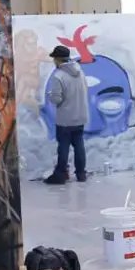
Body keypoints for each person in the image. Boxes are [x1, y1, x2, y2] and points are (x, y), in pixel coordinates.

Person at [44, 44, 90, 184]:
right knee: (79, 145)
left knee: (63, 147)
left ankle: (61, 175)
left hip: (65, 119)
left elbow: (57, 99)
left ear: (58, 59)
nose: (53, 61)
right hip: (80, 116)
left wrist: (50, 95)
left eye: (54, 58)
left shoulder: (58, 76)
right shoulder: (80, 72)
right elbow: (85, 89)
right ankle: (81, 174)